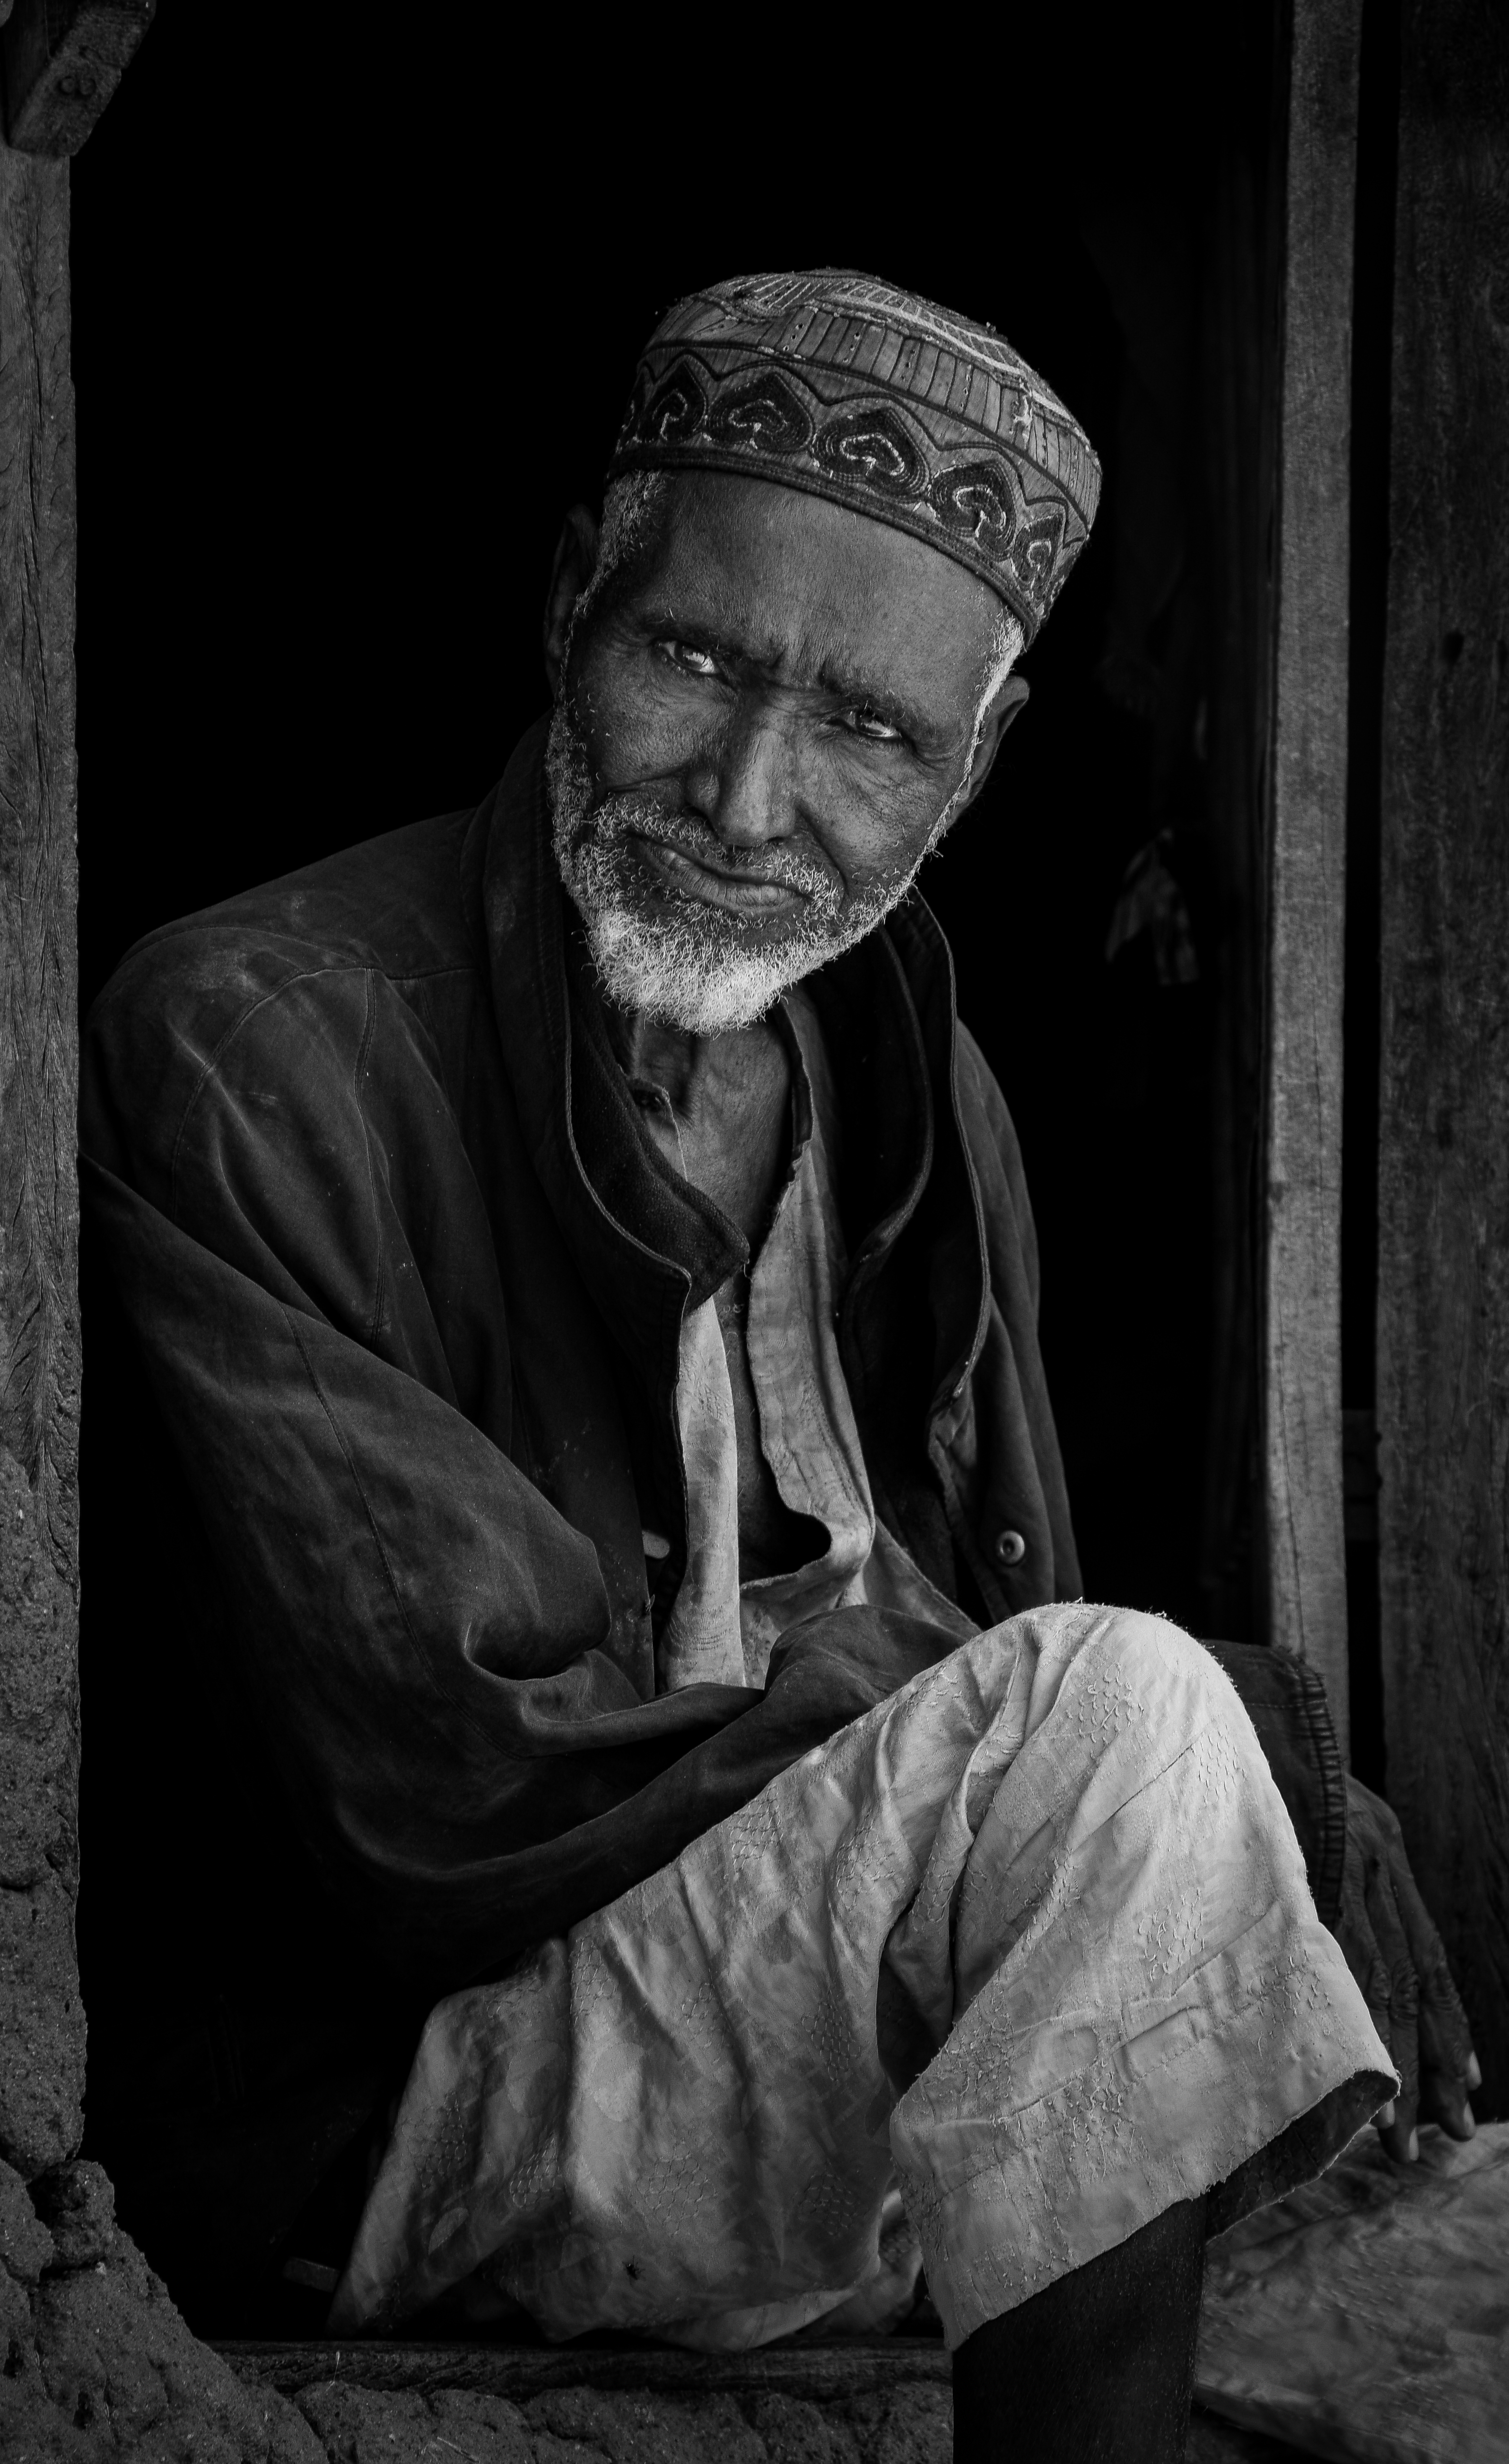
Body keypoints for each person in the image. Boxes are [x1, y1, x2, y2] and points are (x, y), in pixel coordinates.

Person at [80, 272, 1475, 2460]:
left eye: (869, 733)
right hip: (414, 2103)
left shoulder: (922, 1086)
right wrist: (1224, 1733)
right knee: (1124, 1716)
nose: (747, 798)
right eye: (694, 658)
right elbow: (438, 1781)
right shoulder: (254, 1044)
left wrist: (1254, 1821)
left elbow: (1026, 1792)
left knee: (1467, 2260)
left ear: (978, 761)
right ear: (570, 598)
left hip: (832, 2089)